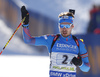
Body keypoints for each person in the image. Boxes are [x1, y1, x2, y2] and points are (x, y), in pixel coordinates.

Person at [21, 6, 90, 77]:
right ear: (58, 26)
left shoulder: (79, 43)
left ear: (72, 26)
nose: (64, 29)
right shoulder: (51, 39)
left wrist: (80, 64)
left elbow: (87, 68)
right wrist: (25, 24)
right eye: (62, 26)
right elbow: (28, 40)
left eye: (67, 26)